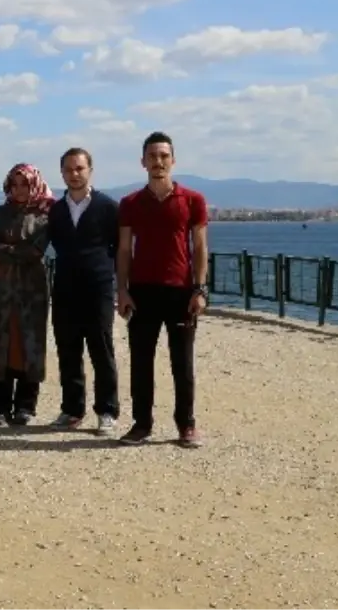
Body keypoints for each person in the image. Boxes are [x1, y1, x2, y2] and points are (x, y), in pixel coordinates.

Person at [117, 132, 208, 448]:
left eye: (163, 156)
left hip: (180, 291)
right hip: (142, 291)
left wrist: (200, 289)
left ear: (173, 160)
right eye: (152, 156)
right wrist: (122, 290)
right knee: (141, 362)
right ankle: (141, 424)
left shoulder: (192, 200)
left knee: (182, 363)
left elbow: (199, 246)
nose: (158, 162)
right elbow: (125, 249)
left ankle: (187, 425)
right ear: (143, 161)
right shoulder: (130, 203)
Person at [0, 164, 53, 427]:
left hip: (32, 292)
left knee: (29, 346)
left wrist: (8, 250)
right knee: (0, 345)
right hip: (0, 290)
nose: (19, 190)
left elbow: (36, 251)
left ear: (34, 185)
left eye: (24, 184)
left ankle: (26, 406)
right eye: (14, 184)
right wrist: (17, 249)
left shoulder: (45, 215)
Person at [48, 147, 120, 436]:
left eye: (79, 168)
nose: (74, 174)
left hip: (98, 289)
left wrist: (115, 282)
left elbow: (120, 247)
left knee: (101, 351)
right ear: (62, 173)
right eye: (68, 169)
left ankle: (107, 411)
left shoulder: (108, 207)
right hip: (65, 288)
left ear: (90, 170)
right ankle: (72, 409)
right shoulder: (55, 210)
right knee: (68, 351)